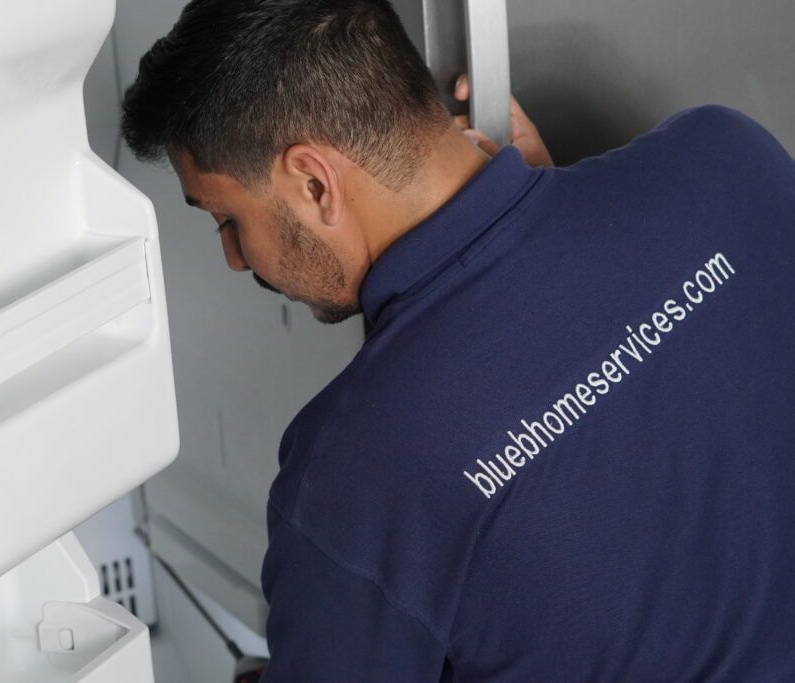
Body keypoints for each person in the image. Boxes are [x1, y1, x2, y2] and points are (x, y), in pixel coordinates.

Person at [121, 0, 795, 680]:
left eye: (227, 218)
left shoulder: (350, 478)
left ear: (313, 182)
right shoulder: (726, 157)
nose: (237, 257)